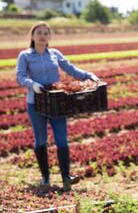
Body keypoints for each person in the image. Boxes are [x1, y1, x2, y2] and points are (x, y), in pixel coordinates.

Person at [16, 21, 100, 192]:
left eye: (46, 33)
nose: (42, 36)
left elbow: (70, 69)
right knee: (41, 140)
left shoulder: (54, 54)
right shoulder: (25, 56)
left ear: (49, 37)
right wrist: (32, 84)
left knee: (62, 140)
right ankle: (45, 177)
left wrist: (89, 76)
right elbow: (20, 77)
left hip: (57, 102)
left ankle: (66, 177)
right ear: (32, 36)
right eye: (38, 32)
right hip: (36, 102)